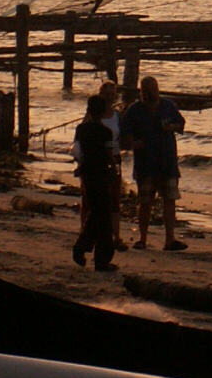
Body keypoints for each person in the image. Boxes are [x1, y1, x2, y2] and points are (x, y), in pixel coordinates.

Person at [120, 76, 186, 251]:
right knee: (145, 202)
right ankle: (142, 238)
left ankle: (170, 239)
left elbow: (181, 123)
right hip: (146, 163)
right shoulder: (134, 110)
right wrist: (133, 144)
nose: (151, 93)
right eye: (147, 90)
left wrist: (170, 127)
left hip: (167, 161)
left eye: (153, 89)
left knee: (170, 200)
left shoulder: (168, 106)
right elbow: (124, 135)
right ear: (142, 91)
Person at [71, 94, 118, 271]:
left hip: (87, 173)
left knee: (96, 212)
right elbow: (109, 155)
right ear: (104, 111)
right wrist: (114, 170)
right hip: (101, 174)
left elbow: (77, 151)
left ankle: (88, 251)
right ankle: (95, 255)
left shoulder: (81, 129)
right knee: (102, 214)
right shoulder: (106, 132)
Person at [97, 79, 126, 250]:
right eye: (106, 94)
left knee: (114, 198)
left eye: (112, 94)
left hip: (114, 158)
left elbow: (123, 138)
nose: (109, 98)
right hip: (98, 158)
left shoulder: (117, 116)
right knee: (94, 198)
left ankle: (116, 236)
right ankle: (89, 232)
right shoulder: (94, 115)